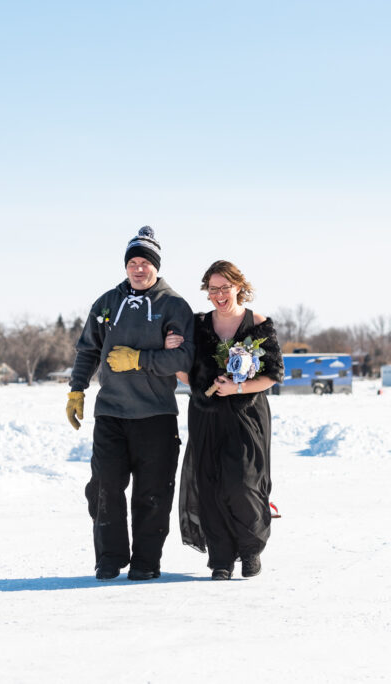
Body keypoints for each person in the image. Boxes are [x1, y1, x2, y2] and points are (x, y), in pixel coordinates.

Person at [65, 226, 195, 581]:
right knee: (104, 486)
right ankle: (109, 557)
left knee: (152, 495)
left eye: (145, 263)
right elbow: (88, 349)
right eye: (133, 262)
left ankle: (145, 562)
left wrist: (139, 359)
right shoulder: (107, 303)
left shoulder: (174, 305)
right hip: (111, 413)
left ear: (156, 265)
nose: (139, 269)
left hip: (156, 415)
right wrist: (77, 390)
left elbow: (184, 359)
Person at [166, 260, 283, 580]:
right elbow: (186, 373)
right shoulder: (197, 324)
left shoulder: (257, 323)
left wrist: (238, 387)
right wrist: (172, 350)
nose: (219, 294)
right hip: (206, 415)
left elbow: (274, 374)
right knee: (210, 485)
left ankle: (250, 550)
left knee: (242, 483)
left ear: (238, 287)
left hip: (246, 417)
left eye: (225, 287)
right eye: (213, 289)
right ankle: (221, 559)